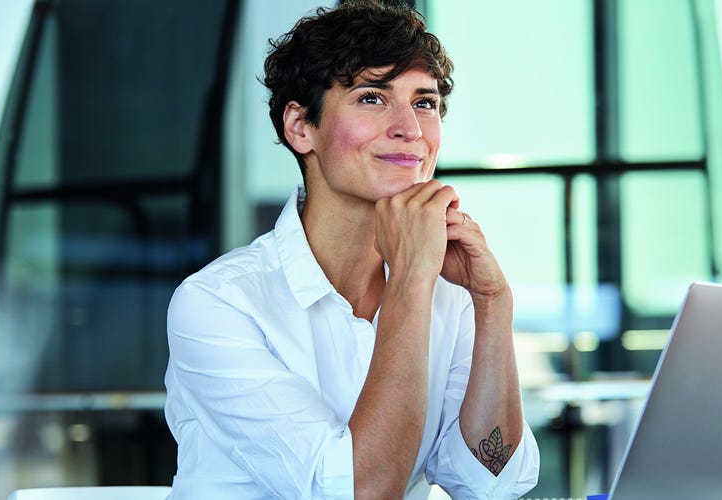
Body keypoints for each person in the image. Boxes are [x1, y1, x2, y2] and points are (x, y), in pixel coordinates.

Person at [163, 1, 540, 498]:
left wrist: (493, 303)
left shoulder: (450, 294)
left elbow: (490, 482)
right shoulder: (218, 303)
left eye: (424, 102)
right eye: (372, 98)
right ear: (300, 127)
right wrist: (408, 281)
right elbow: (359, 491)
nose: (410, 128)